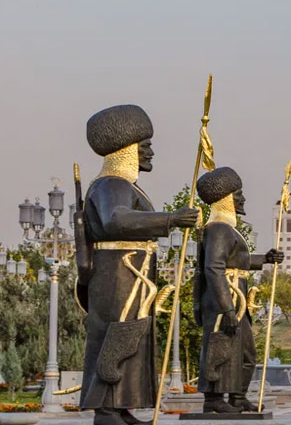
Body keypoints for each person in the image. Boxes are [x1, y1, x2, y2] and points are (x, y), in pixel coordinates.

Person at [77, 104, 200, 425]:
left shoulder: (125, 185)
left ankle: (122, 406)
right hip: (118, 272)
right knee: (119, 335)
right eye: (144, 147)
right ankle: (106, 410)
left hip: (130, 272)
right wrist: (171, 218)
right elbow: (115, 219)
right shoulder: (111, 184)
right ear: (126, 150)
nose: (151, 153)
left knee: (133, 337)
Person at [192, 167, 283, 414]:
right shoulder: (219, 228)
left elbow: (236, 260)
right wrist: (228, 309)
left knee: (244, 351)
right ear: (225, 199)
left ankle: (237, 396)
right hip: (225, 299)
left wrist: (265, 258)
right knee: (220, 348)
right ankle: (213, 399)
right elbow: (214, 268)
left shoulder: (228, 229)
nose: (242, 199)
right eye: (238, 194)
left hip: (235, 297)